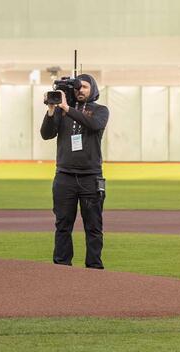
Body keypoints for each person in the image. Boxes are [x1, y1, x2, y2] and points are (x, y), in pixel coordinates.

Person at [40, 74, 109, 269]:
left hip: (91, 177)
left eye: (85, 87)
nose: (80, 90)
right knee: (62, 225)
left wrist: (66, 108)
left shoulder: (100, 111)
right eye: (78, 88)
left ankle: (94, 268)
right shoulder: (61, 112)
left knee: (93, 227)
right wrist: (52, 110)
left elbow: (94, 125)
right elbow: (46, 134)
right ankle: (62, 267)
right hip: (64, 176)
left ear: (93, 89)